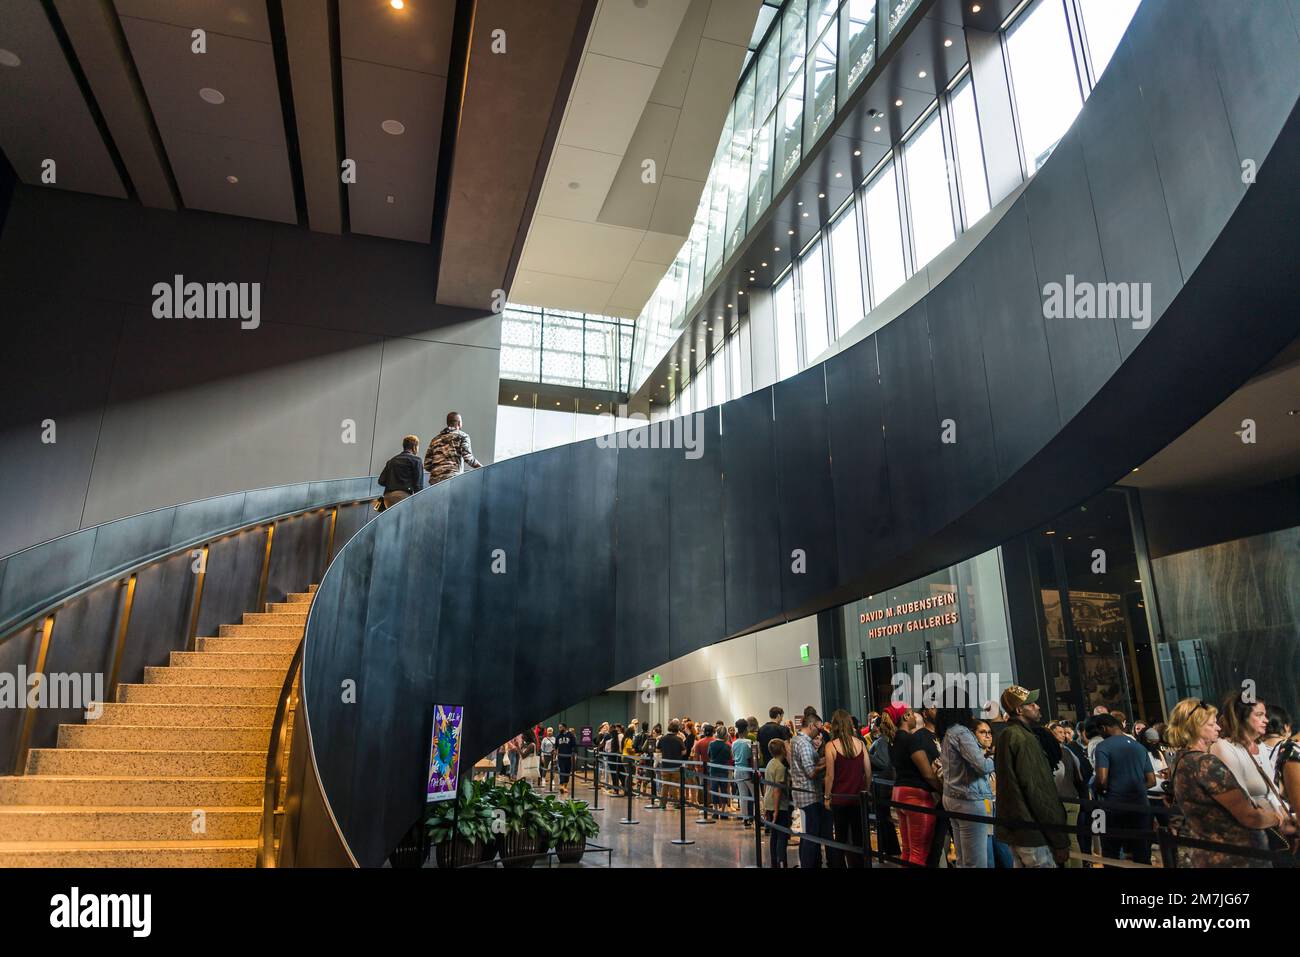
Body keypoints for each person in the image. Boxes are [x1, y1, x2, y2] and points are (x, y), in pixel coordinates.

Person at [1168, 698, 1292, 867]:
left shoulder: (1180, 760)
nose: (1218, 728)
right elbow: (1248, 816)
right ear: (1195, 727)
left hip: (1209, 853)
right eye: (1212, 724)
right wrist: (1277, 819)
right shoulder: (1205, 763)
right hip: (1236, 857)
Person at [994, 686, 1069, 867]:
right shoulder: (1023, 738)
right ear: (1019, 710)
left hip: (1018, 829)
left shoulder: (1007, 734)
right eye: (1031, 703)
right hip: (1033, 833)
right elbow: (1038, 791)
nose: (1037, 707)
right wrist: (1059, 839)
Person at [940, 708, 994, 867]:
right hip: (968, 799)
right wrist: (995, 759)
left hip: (953, 798)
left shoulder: (948, 732)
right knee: (976, 861)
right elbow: (982, 765)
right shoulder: (961, 732)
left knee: (963, 859)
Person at [891, 705, 942, 866]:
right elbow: (927, 773)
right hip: (916, 795)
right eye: (912, 714)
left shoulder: (895, 739)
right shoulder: (910, 739)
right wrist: (942, 790)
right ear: (906, 717)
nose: (915, 716)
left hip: (899, 792)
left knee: (907, 849)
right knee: (919, 852)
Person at [824, 709, 870, 866]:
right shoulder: (861, 744)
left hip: (839, 799)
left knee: (840, 838)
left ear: (835, 725)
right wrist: (867, 790)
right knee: (859, 837)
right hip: (857, 798)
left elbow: (829, 776)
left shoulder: (831, 746)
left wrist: (826, 797)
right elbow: (868, 773)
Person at [790, 715, 825, 868]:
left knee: (806, 836)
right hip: (809, 796)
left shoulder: (796, 740)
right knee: (811, 836)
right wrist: (828, 763)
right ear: (811, 726)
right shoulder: (804, 744)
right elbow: (810, 772)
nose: (819, 732)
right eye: (818, 728)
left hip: (801, 794)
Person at [423, 411, 482, 486]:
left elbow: (427, 465)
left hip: (435, 482)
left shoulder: (435, 440)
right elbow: (468, 458)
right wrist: (482, 468)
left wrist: (438, 471)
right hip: (453, 480)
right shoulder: (462, 436)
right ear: (459, 423)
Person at [764, 738, 793, 867]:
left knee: (774, 835)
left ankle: (774, 862)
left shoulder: (770, 763)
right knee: (782, 836)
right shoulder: (781, 768)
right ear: (783, 750)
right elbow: (777, 790)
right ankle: (782, 862)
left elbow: (767, 786)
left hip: (768, 802)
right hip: (779, 806)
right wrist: (776, 810)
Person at [377, 435, 424, 509]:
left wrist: (392, 483)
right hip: (404, 497)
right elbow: (418, 485)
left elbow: (381, 481)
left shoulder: (392, 461)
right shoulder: (416, 460)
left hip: (388, 498)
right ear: (414, 447)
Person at [657, 720, 686, 807]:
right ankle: (676, 803)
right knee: (674, 785)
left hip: (665, 765)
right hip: (676, 766)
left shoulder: (662, 738)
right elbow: (684, 752)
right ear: (677, 730)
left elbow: (657, 750)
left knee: (665, 785)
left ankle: (662, 804)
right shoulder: (679, 739)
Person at [733, 718, 755, 826]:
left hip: (737, 770)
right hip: (747, 771)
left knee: (743, 795)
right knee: (756, 795)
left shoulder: (734, 743)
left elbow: (732, 756)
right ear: (746, 729)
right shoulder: (749, 742)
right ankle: (757, 816)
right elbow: (753, 757)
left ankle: (745, 818)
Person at [555, 724, 577, 794]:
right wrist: (555, 754)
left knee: (567, 772)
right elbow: (556, 746)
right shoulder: (558, 736)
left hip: (569, 757)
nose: (559, 729)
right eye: (559, 727)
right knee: (562, 771)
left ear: (564, 727)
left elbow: (574, 746)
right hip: (561, 757)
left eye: (560, 727)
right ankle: (561, 786)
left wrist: (573, 756)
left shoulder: (571, 735)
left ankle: (565, 786)